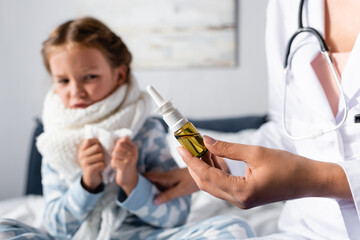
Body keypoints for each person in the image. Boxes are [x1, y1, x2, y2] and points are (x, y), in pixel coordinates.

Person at [0, 17, 255, 240]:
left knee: (235, 228)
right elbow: (56, 228)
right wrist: (87, 185)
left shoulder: (146, 131)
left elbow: (176, 217)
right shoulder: (54, 140)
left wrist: (133, 182)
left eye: (89, 77)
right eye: (63, 80)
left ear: (120, 75)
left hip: (145, 236)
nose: (75, 90)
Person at [145, 0, 360, 239]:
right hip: (306, 230)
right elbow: (288, 127)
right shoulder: (287, 6)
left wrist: (315, 180)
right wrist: (224, 166)